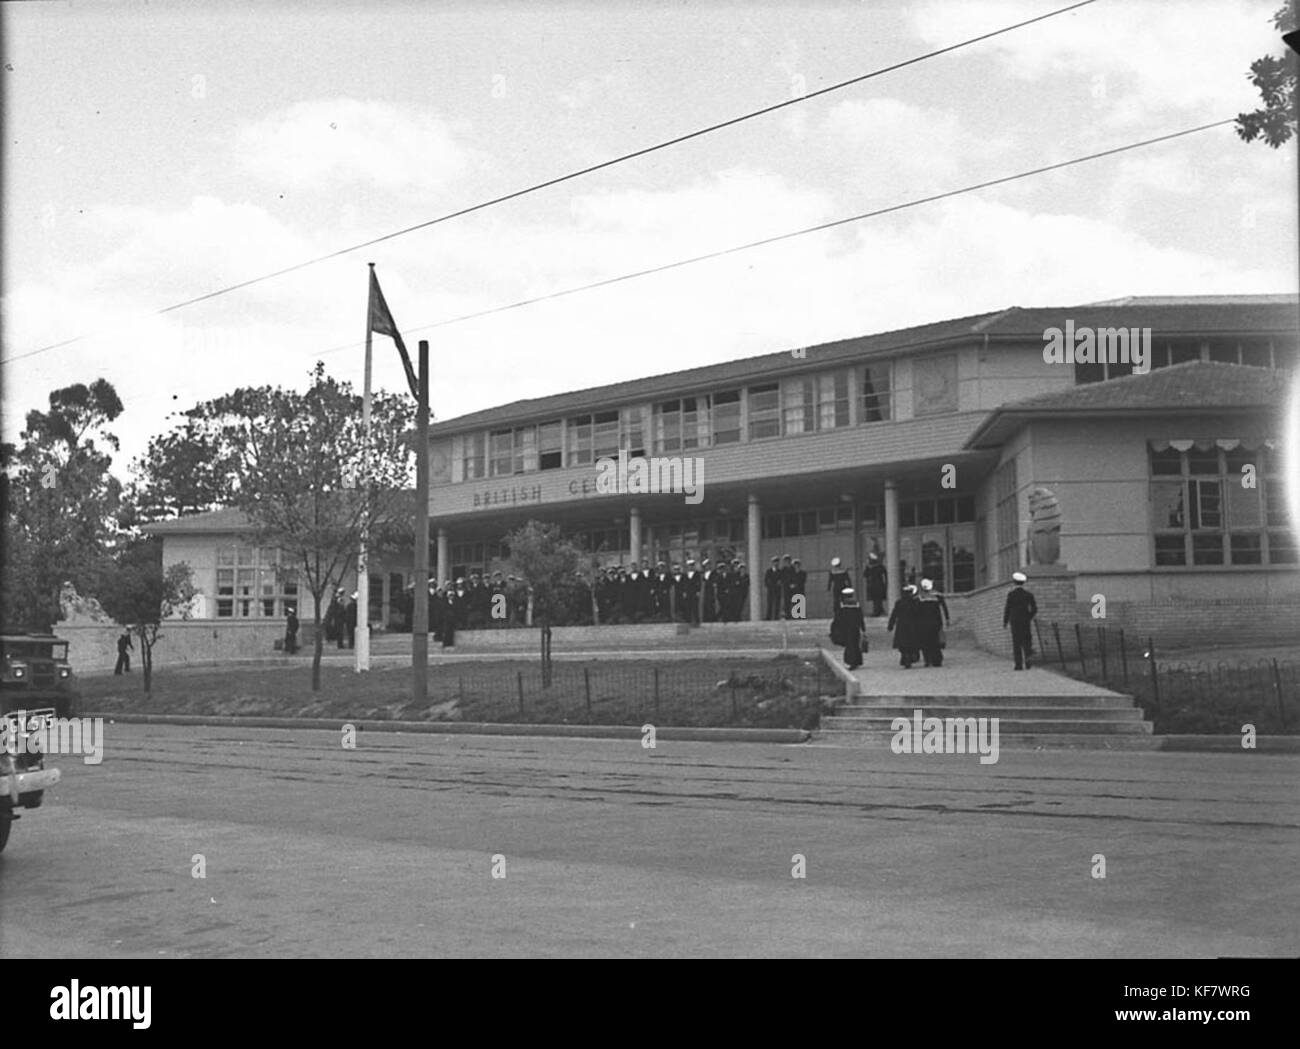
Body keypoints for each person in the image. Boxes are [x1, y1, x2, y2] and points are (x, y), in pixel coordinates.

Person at [1003, 571, 1038, 670]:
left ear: (1014, 582)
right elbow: (1034, 609)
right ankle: (1028, 662)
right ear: (1023, 582)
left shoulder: (1011, 595)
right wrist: (1028, 617)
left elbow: (1007, 609)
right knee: (1027, 641)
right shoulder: (1028, 595)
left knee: (1016, 642)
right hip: (1025, 621)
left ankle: (1018, 664)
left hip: (1014, 621)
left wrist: (1005, 621)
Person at [916, 578, 950, 667]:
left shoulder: (920, 597)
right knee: (935, 642)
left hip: (923, 623)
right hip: (936, 622)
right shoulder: (937, 596)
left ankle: (928, 660)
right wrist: (947, 619)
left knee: (925, 643)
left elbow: (916, 611)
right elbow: (944, 607)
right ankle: (937, 660)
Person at [831, 588, 867, 670]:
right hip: (855, 627)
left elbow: (838, 617)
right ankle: (857, 661)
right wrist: (863, 628)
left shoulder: (841, 604)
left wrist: (836, 627)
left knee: (850, 645)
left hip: (846, 628)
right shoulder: (856, 604)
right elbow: (860, 616)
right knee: (855, 644)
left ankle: (852, 662)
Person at [888, 584, 921, 669]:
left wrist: (890, 625)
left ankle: (905, 658)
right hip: (912, 625)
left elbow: (894, 614)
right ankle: (909, 658)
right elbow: (918, 613)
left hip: (902, 625)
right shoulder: (915, 602)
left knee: (903, 644)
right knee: (911, 643)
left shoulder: (899, 602)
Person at [864, 553, 887, 617]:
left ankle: (877, 612)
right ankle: (879, 610)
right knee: (877, 599)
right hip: (878, 585)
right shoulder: (880, 567)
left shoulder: (873, 567)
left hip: (875, 585)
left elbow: (865, 574)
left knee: (876, 599)